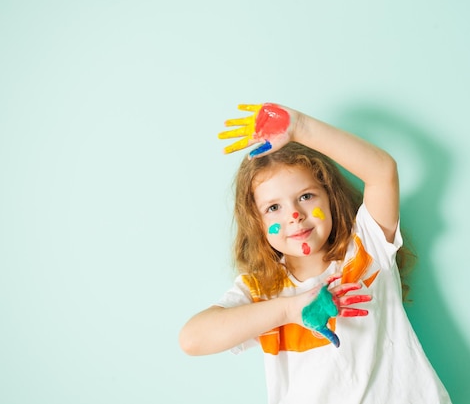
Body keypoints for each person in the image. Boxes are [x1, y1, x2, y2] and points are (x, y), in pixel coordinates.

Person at [179, 103, 451, 404]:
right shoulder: (263, 291)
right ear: (256, 223)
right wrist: (290, 310)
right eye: (274, 207)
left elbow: (382, 172)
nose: (294, 215)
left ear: (330, 196)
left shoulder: (366, 250)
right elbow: (192, 339)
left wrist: (299, 127)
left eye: (306, 196)